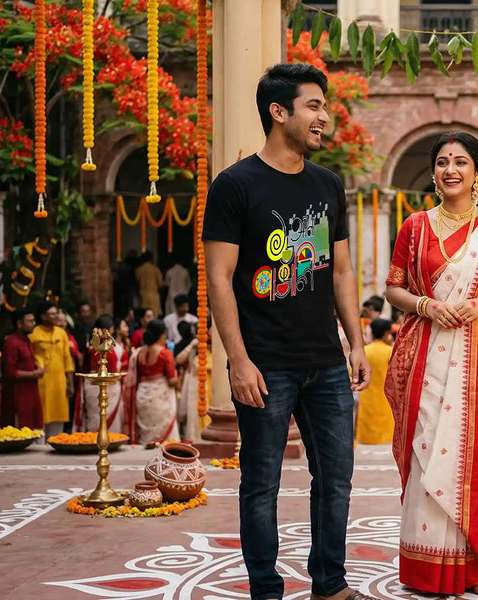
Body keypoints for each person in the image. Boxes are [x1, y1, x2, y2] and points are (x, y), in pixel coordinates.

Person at [203, 63, 373, 600]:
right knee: (261, 485)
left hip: (325, 363)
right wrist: (238, 358)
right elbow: (219, 277)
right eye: (313, 106)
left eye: (324, 106)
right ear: (279, 113)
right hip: (265, 364)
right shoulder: (234, 186)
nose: (324, 116)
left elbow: (341, 270)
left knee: (336, 481)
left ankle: (330, 582)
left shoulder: (327, 184)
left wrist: (356, 341)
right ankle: (266, 590)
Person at [384, 131, 478, 596]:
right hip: (426, 357)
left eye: (461, 162)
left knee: (477, 455)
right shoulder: (415, 226)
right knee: (428, 452)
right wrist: (425, 306)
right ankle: (427, 568)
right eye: (443, 162)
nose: (451, 170)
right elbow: (394, 288)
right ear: (433, 172)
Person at [124, 319, 180, 444]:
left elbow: (136, 377)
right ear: (162, 335)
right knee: (164, 439)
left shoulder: (138, 353)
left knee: (146, 435)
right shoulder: (165, 354)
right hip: (161, 396)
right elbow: (172, 381)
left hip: (143, 395)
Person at [29, 302, 74, 439]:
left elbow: (67, 359)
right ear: (43, 316)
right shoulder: (34, 334)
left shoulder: (62, 334)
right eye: (52, 314)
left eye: (56, 313)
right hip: (42, 383)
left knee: (58, 418)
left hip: (59, 383)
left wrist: (70, 383)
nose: (55, 316)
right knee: (40, 417)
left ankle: (56, 445)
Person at [81, 315, 127, 434]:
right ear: (110, 330)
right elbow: (114, 370)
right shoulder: (112, 348)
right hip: (108, 386)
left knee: (96, 417)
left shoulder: (91, 347)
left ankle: (96, 439)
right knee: (101, 417)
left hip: (91, 385)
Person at [0, 309, 44, 429]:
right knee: (20, 431)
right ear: (19, 324)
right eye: (30, 321)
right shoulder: (12, 342)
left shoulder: (26, 340)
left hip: (30, 394)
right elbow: (9, 372)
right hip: (18, 396)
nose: (33, 323)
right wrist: (33, 374)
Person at [355, 319, 395, 445]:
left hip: (367, 397)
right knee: (387, 436)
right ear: (386, 333)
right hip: (386, 399)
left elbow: (354, 373)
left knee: (366, 432)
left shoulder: (364, 351)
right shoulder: (391, 351)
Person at [174, 320, 201, 440]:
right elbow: (178, 360)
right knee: (193, 416)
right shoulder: (193, 350)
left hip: (209, 387)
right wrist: (191, 345)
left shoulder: (214, 349)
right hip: (193, 386)